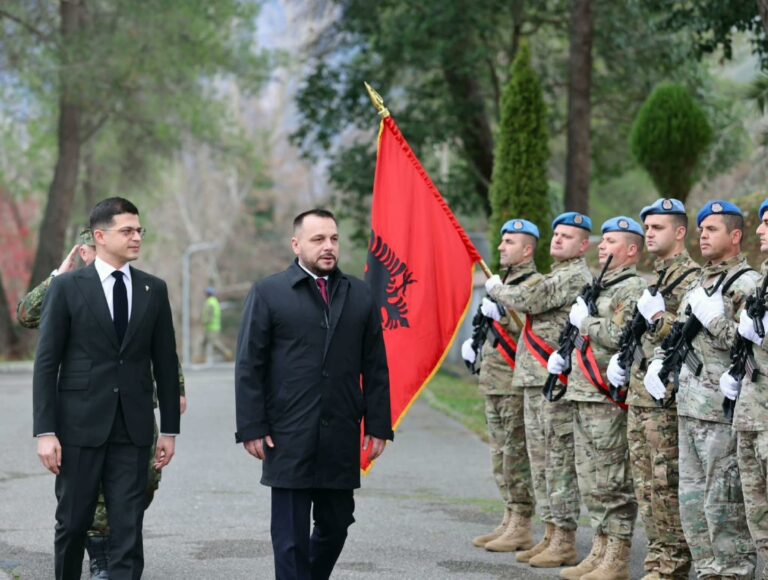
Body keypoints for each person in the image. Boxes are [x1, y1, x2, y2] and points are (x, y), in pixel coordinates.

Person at [18, 227, 187, 579]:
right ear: (90, 246)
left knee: (142, 487)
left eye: (138, 231)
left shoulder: (142, 287)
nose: (135, 238)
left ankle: (112, 549)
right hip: (84, 413)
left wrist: (175, 393)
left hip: (132, 408)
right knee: (80, 509)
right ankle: (99, 552)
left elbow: (154, 347)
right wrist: (58, 276)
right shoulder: (68, 287)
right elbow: (28, 317)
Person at [234, 208, 393, 580]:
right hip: (287, 433)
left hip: (340, 429)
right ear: (296, 244)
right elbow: (248, 366)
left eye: (334, 239)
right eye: (318, 239)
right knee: (289, 537)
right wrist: (251, 426)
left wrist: (379, 424)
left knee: (337, 523)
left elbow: (375, 365)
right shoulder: (269, 293)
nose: (328, 247)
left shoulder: (359, 295)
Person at [645, 200, 758, 578]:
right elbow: (680, 334)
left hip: (720, 411)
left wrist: (713, 320)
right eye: (702, 229)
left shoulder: (747, 284)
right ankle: (708, 571)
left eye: (712, 230)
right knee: (692, 503)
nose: (703, 236)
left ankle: (733, 572)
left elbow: (749, 345)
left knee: (722, 503)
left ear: (735, 236)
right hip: (688, 406)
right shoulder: (700, 281)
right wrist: (662, 363)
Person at [487, 211, 592, 569]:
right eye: (557, 234)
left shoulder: (575, 275)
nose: (558, 240)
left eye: (568, 236)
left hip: (555, 383)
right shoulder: (558, 273)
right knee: (542, 461)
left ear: (584, 245)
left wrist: (496, 290)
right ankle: (549, 534)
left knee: (558, 461)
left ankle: (563, 538)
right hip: (535, 378)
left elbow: (531, 300)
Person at [548, 216, 645, 580]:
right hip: (582, 393)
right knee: (590, 478)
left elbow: (621, 335)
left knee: (611, 479)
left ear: (632, 251)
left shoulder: (631, 288)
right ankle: (600, 548)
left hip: (606, 397)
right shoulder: (600, 286)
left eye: (611, 242)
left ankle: (617, 556)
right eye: (602, 242)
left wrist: (586, 323)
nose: (602, 247)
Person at [608, 199, 697, 580]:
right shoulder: (656, 280)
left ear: (679, 233)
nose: (649, 233)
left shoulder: (693, 278)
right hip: (641, 398)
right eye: (647, 227)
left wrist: (660, 318)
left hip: (668, 399)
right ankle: (657, 560)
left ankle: (673, 564)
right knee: (645, 485)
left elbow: (693, 334)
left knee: (665, 482)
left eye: (658, 227)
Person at [460, 219, 540, 552]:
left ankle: (521, 523)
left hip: (514, 384)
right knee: (499, 455)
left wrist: (504, 312)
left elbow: (533, 332)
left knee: (515, 456)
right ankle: (509, 517)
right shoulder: (500, 283)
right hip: (494, 381)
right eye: (502, 241)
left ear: (527, 248)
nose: (502, 246)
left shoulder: (533, 284)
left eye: (510, 242)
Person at [720, 199, 768, 578]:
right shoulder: (764, 279)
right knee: (758, 515)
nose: (761, 230)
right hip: (750, 413)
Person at [201, 287, 232, 362]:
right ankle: (201, 357)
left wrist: (205, 321)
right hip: (212, 326)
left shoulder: (210, 302)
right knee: (203, 343)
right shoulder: (215, 301)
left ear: (208, 294)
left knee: (215, 343)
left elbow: (209, 315)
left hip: (211, 327)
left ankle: (226, 352)